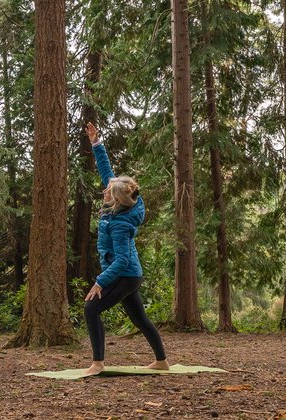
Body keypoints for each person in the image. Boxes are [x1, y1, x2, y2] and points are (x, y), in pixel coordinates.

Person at [82, 122, 169, 376]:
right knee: (139, 318)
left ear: (116, 200)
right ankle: (161, 360)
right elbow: (106, 170)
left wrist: (100, 282)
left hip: (126, 274)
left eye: (107, 192)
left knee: (91, 308)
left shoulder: (120, 223)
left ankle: (97, 364)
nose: (104, 190)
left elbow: (120, 260)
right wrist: (96, 142)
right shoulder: (119, 206)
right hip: (130, 274)